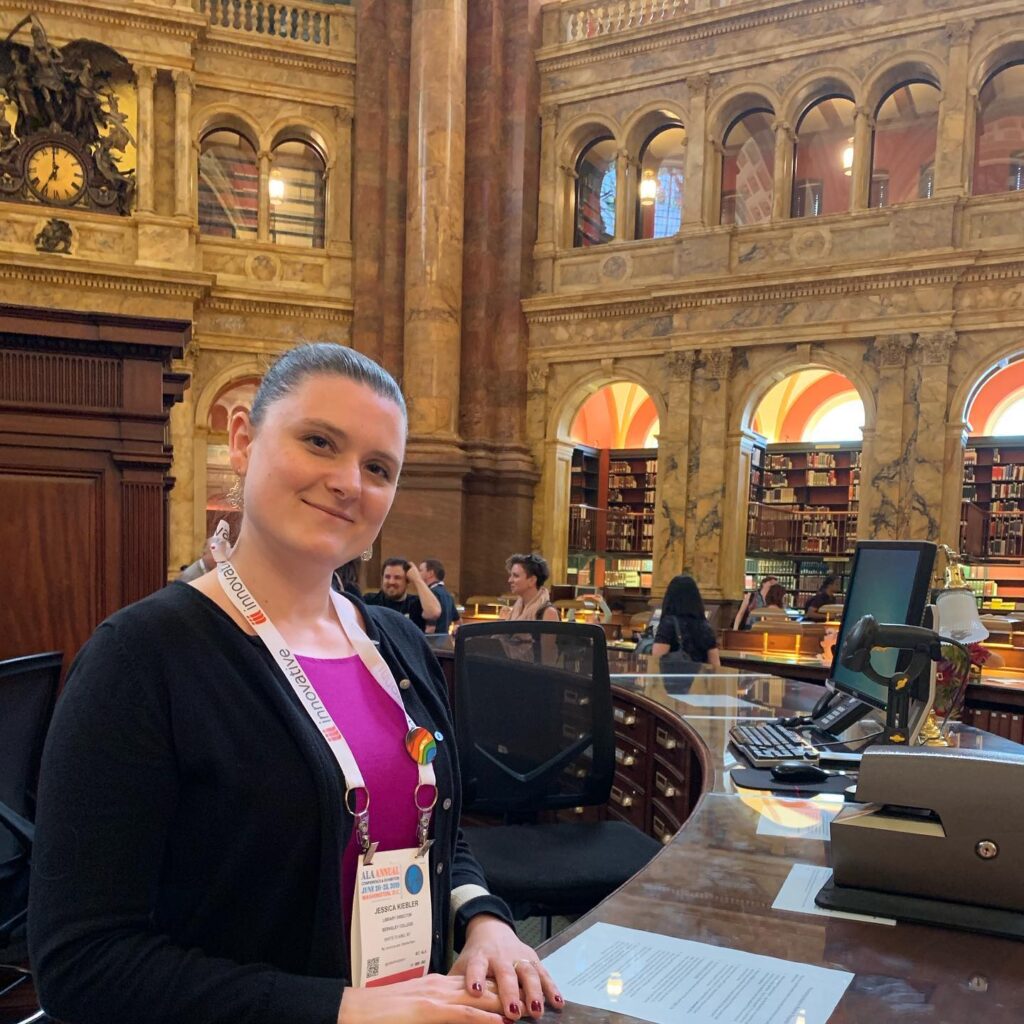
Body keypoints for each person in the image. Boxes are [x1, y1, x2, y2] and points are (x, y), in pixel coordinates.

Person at [29, 343, 561, 1024]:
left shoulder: (397, 643)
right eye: (318, 441)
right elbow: (83, 965)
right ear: (243, 441)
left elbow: (437, 831)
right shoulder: (141, 657)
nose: (348, 482)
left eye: (378, 467)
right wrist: (341, 1010)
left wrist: (483, 919)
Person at [650, 575, 721, 667]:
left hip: (673, 678)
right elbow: (715, 665)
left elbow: (656, 660)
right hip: (698, 678)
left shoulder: (668, 624)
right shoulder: (705, 626)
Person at [363, 556, 442, 626]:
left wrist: (417, 579)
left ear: (407, 580)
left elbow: (434, 612)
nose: (391, 582)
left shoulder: (415, 604)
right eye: (387, 577)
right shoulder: (370, 601)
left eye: (397, 577)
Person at [500, 553, 560, 622]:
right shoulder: (515, 610)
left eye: (516, 576)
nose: (510, 580)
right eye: (511, 576)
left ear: (532, 580)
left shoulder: (548, 613)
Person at [415, 558, 460, 634]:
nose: (418, 574)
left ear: (430, 573)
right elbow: (458, 621)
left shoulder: (431, 594)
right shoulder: (447, 594)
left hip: (432, 642)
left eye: (421, 570)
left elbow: (430, 628)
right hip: (444, 641)